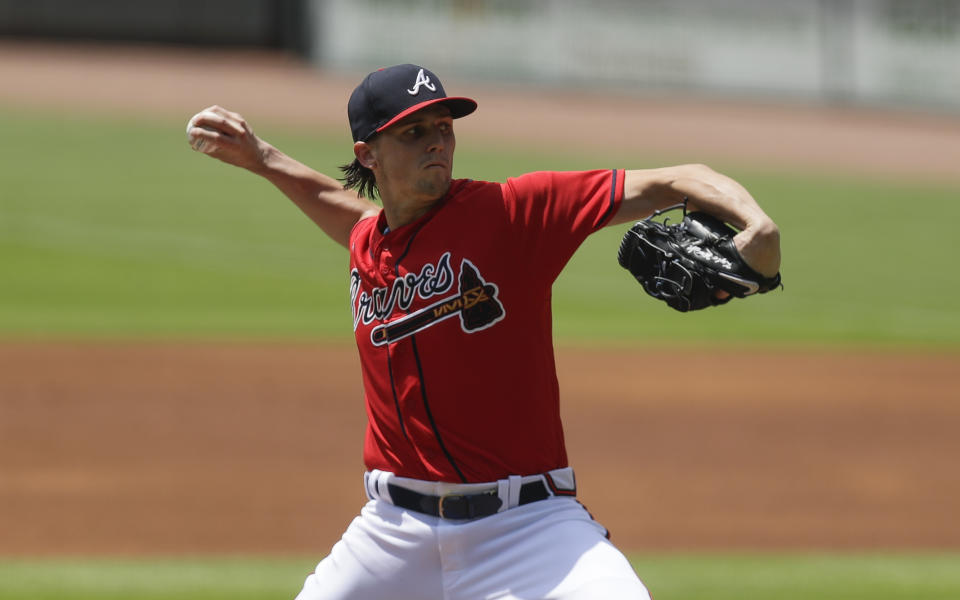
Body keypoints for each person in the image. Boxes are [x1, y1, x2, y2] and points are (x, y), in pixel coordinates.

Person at [186, 63, 780, 600]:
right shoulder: (370, 242)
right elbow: (339, 205)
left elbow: (675, 179)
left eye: (443, 126)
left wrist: (757, 226)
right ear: (368, 155)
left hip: (529, 529)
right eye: (413, 133)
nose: (436, 142)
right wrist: (262, 158)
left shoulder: (514, 213)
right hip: (393, 535)